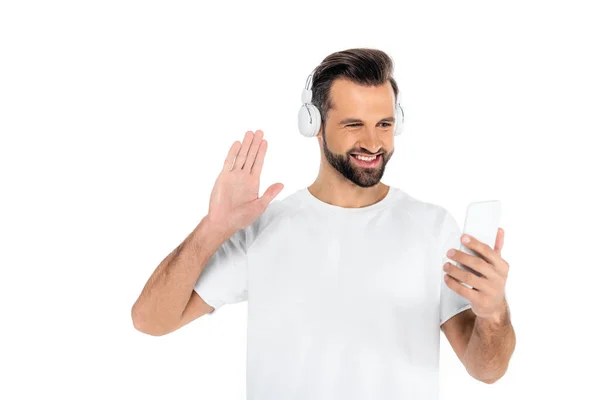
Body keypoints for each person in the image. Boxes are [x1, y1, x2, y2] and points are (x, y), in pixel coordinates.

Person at [131, 48, 515, 400]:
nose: (373, 142)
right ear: (313, 123)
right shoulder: (263, 229)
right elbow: (150, 320)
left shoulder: (433, 229)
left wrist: (493, 312)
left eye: (383, 124)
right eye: (353, 125)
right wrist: (213, 228)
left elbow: (486, 369)